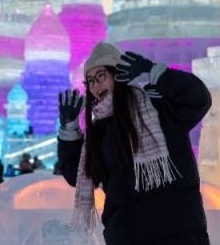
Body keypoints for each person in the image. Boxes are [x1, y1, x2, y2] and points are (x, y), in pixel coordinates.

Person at [57, 42, 211, 245]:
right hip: (127, 236)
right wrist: (69, 129)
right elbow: (78, 174)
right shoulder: (100, 130)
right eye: (90, 81)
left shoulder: (158, 107)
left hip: (179, 234)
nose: (95, 85)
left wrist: (152, 71)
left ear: (118, 74)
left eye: (100, 76)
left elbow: (198, 98)